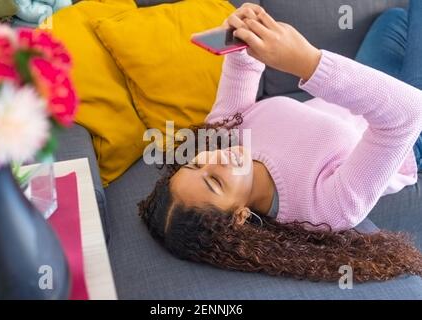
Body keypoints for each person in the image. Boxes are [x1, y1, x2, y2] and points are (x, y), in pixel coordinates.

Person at [138, 2, 422, 282]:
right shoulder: (323, 209)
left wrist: (244, 27)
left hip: (362, 94)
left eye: (195, 163)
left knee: (396, 18)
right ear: (240, 216)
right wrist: (307, 61)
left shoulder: (222, 139)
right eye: (215, 181)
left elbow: (243, 65)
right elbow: (407, 115)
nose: (215, 159)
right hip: (408, 134)